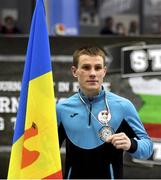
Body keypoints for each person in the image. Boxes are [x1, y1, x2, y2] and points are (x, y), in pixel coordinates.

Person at [56, 46, 153, 179]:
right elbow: (48, 153)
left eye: (97, 68)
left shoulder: (123, 106)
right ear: (75, 71)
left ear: (104, 71)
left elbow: (147, 149)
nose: (92, 73)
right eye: (86, 67)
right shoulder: (61, 109)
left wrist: (131, 144)